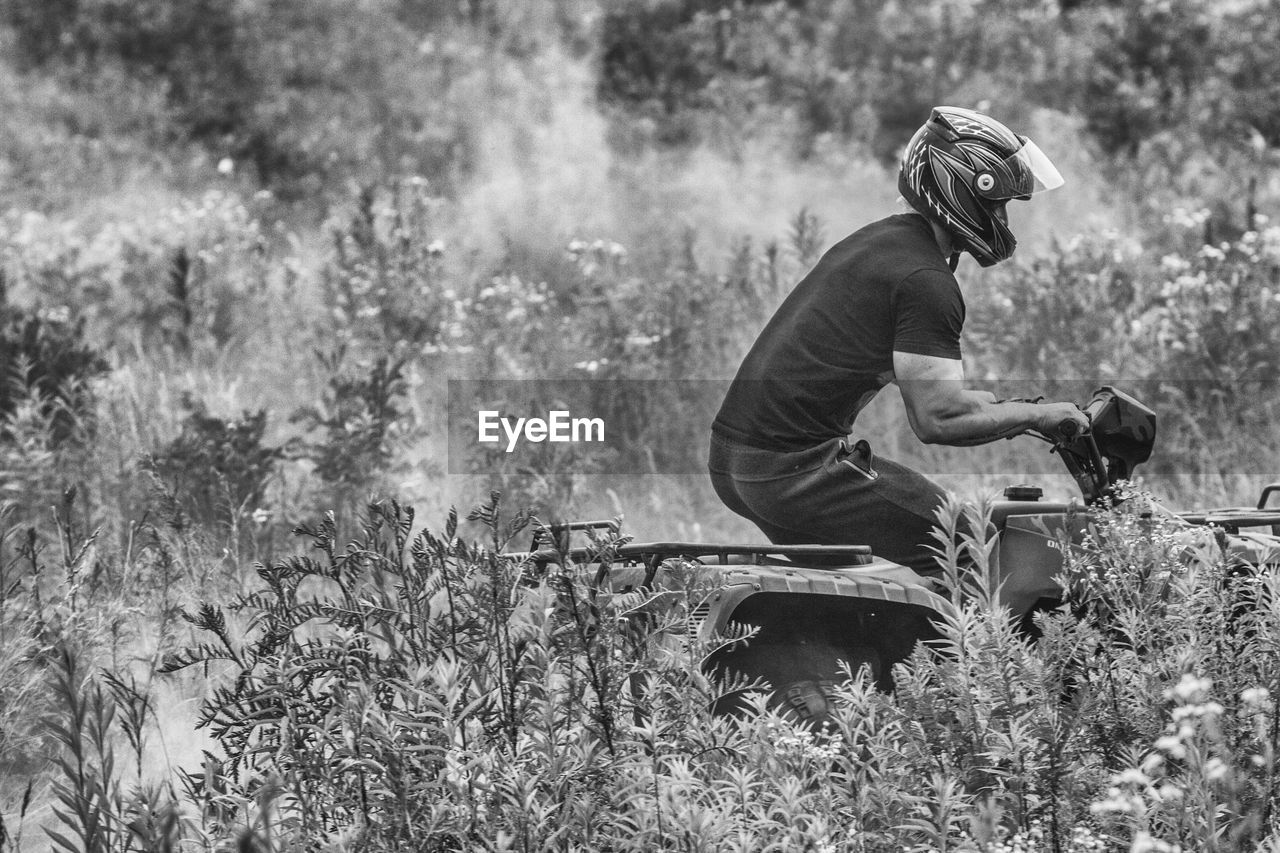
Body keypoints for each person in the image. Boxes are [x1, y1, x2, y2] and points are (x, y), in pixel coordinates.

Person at [708, 106, 1091, 578]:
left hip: (735, 460)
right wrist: (1039, 415)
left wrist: (1000, 407)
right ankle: (985, 653)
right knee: (971, 545)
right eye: (997, 203)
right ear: (963, 191)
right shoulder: (925, 280)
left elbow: (931, 391)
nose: (1003, 217)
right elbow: (938, 419)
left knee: (856, 587)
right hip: (794, 471)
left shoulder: (883, 243)